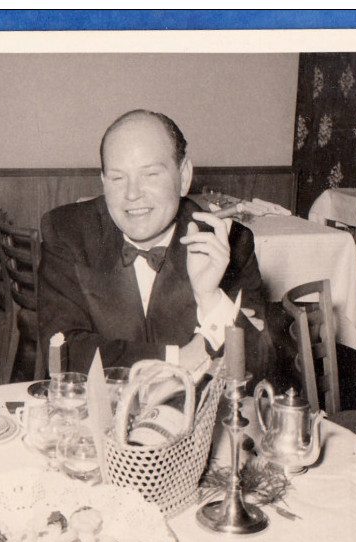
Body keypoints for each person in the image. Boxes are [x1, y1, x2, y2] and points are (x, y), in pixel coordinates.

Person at [38, 109, 275, 380]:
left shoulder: (229, 243)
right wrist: (179, 359)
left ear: (183, 176)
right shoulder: (66, 232)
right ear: (103, 182)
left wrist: (210, 299)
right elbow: (62, 354)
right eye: (117, 178)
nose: (132, 194)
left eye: (150, 175)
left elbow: (260, 368)